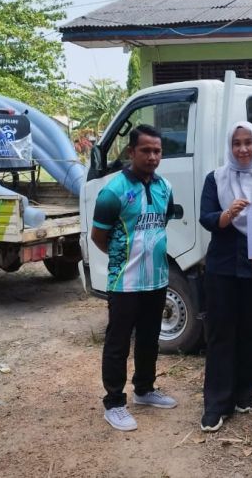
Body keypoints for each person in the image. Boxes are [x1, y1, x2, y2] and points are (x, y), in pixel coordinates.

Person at [198, 121, 252, 432]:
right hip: (221, 267)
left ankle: (244, 393)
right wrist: (227, 215)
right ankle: (216, 404)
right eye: (236, 143)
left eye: (248, 142)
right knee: (221, 334)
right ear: (229, 147)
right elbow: (206, 217)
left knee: (250, 331)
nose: (243, 149)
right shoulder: (216, 178)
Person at [91, 124, 178, 432]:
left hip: (156, 280)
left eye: (157, 151)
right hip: (124, 283)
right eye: (146, 150)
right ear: (131, 152)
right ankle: (114, 403)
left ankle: (144, 390)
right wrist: (122, 258)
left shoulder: (165, 187)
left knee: (149, 339)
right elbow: (98, 236)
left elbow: (161, 223)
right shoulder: (113, 191)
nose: (153, 156)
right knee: (117, 343)